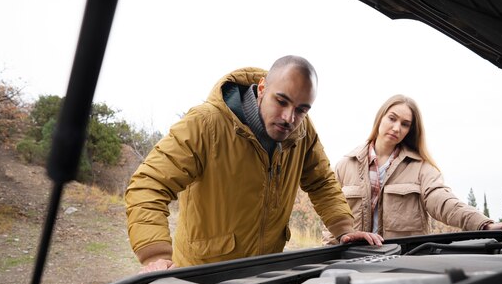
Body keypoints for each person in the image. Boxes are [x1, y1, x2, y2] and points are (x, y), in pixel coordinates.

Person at [126, 55, 382, 272]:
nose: (289, 118)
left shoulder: (303, 133)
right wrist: (155, 257)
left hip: (262, 277)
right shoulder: (205, 124)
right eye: (281, 101)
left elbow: (322, 182)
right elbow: (148, 184)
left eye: (302, 109)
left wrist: (344, 229)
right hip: (201, 277)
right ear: (262, 89)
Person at [323, 94, 502, 244]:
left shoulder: (421, 168)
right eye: (392, 118)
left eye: (405, 124)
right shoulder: (344, 165)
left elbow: (444, 202)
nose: (396, 128)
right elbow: (331, 216)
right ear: (380, 118)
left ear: (410, 130)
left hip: (404, 261)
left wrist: (483, 224)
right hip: (351, 262)